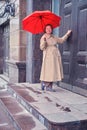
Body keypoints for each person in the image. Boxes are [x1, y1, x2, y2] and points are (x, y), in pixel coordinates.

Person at [40, 24, 72, 91]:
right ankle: (47, 85)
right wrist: (44, 41)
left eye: (50, 28)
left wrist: (67, 34)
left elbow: (61, 40)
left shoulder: (53, 37)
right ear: (45, 30)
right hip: (48, 56)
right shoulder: (43, 37)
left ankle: (45, 83)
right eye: (47, 28)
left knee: (53, 71)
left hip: (54, 56)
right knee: (48, 71)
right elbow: (42, 48)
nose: (49, 30)